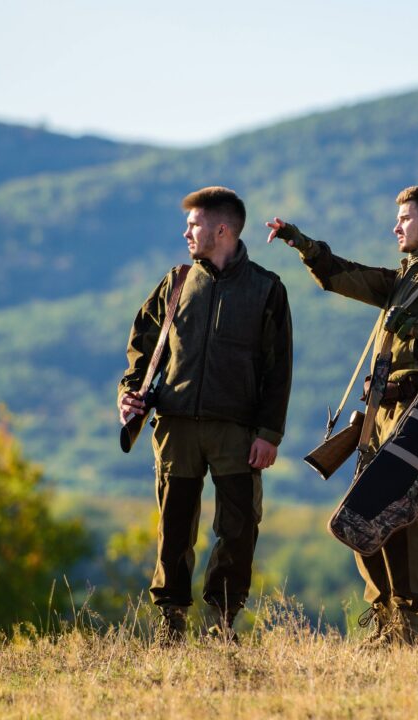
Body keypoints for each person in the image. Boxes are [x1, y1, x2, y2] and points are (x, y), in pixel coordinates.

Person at [266, 186, 418, 647]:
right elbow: (345, 276)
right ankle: (383, 615)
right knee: (363, 513)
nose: (396, 227)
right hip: (382, 417)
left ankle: (406, 626)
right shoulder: (406, 278)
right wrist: (301, 243)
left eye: (404, 218)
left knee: (405, 518)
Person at [119, 186, 293, 645]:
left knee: (238, 532)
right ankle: (170, 624)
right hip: (174, 427)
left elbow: (279, 369)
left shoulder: (267, 289)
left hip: (238, 433)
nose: (186, 232)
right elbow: (142, 345)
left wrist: (269, 433)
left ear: (221, 229)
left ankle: (222, 624)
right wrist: (130, 392)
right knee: (174, 529)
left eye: (194, 225)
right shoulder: (176, 282)